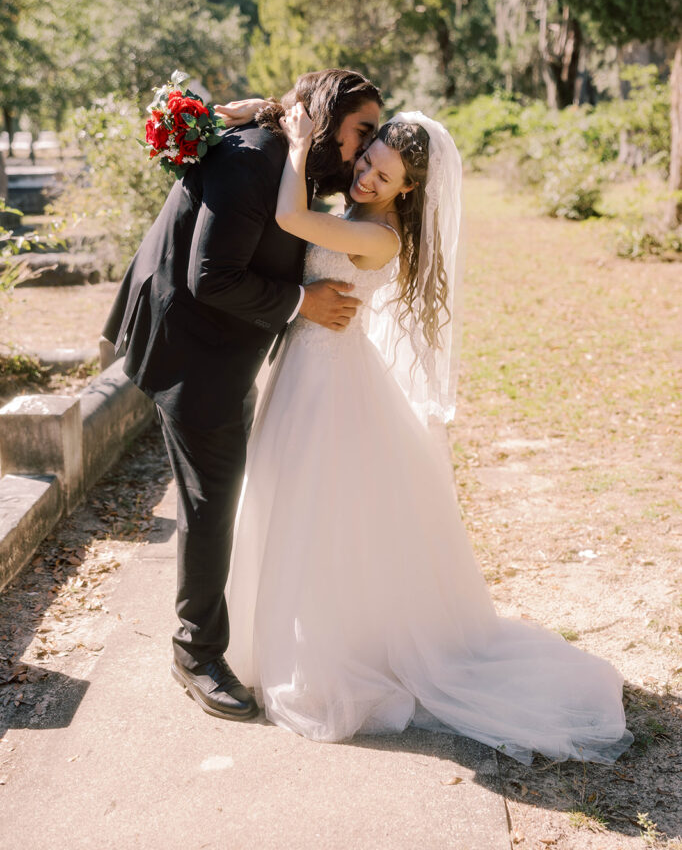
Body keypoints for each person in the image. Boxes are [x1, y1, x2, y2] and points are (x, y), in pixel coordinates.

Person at [223, 101, 633, 764]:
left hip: (328, 381)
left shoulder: (381, 236)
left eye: (382, 177)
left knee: (313, 509)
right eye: (367, 162)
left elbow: (294, 219)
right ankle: (272, 635)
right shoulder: (356, 210)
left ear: (409, 190)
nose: (365, 179)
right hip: (307, 367)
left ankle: (322, 653)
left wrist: (298, 147)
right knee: (290, 501)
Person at [102, 69, 382, 721]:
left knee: (219, 484)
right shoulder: (259, 159)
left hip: (218, 343)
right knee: (212, 493)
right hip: (190, 345)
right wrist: (301, 301)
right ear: (323, 117)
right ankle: (195, 652)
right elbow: (210, 275)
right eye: (361, 132)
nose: (364, 149)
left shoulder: (287, 155)